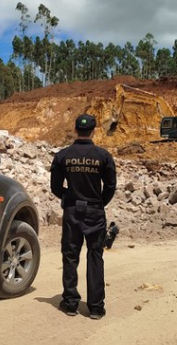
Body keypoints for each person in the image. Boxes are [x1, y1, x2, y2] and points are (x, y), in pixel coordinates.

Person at [50, 114, 117, 320]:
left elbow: (55, 187)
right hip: (95, 212)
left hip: (72, 212)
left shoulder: (62, 156)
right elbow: (111, 186)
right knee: (95, 256)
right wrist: (99, 203)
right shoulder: (103, 156)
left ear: (75, 129)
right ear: (94, 130)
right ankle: (96, 307)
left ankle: (70, 304)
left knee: (70, 256)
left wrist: (69, 198)